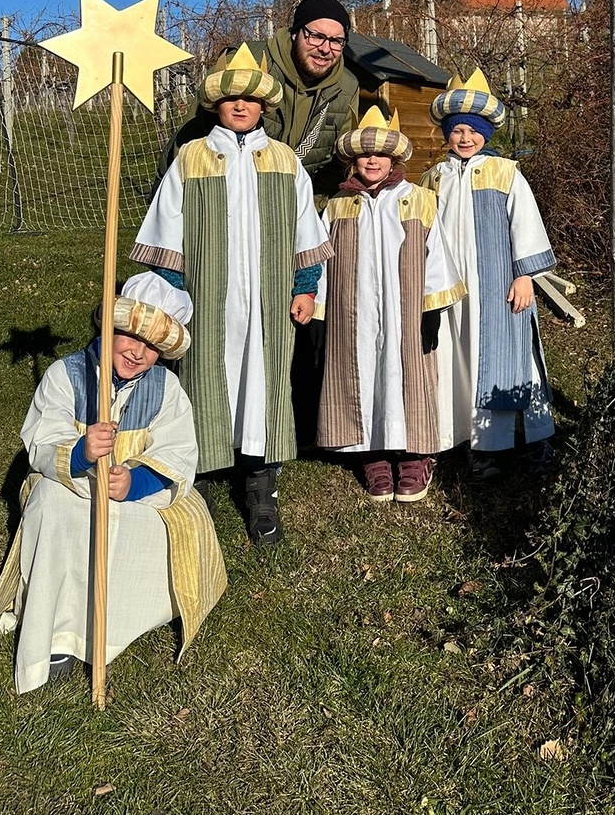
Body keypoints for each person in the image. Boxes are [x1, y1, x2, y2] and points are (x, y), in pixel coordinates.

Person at [0, 286, 226, 694]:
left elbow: (177, 453)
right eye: (129, 336)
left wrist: (136, 481)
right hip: (72, 488)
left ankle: (120, 622)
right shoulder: (66, 375)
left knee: (164, 529)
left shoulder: (167, 389)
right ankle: (57, 632)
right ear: (109, 328)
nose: (137, 352)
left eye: (151, 346)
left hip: (136, 498)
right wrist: (81, 452)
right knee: (53, 508)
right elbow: (41, 441)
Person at [130, 43, 332, 544]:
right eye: (231, 99)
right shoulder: (192, 159)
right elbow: (168, 230)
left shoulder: (284, 161)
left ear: (264, 106)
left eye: (250, 99)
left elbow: (305, 232)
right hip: (207, 298)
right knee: (203, 377)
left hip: (269, 300)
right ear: (216, 104)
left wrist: (306, 288)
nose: (241, 106)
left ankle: (260, 482)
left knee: (266, 381)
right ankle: (196, 471)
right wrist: (175, 294)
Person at [315, 107, 465, 504]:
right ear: (353, 160)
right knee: (361, 374)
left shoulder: (417, 200)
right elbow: (323, 262)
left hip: (406, 313)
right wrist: (320, 312)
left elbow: (436, 254)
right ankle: (372, 453)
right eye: (365, 154)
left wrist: (431, 309)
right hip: (354, 314)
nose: (372, 161)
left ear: (394, 159)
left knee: (409, 374)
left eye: (381, 155)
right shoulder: (338, 205)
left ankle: (415, 454)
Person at [419, 69, 557, 477]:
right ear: (447, 133)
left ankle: (535, 440)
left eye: (472, 131)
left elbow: (525, 224)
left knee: (514, 359)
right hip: (452, 291)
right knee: (459, 362)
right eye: (457, 130)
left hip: (499, 288)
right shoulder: (433, 178)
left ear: (486, 133)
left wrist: (525, 275)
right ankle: (476, 445)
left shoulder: (505, 172)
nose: (465, 138)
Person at [160, 0, 359, 204]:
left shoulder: (347, 87)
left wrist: (312, 209)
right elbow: (191, 137)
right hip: (222, 197)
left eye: (336, 41)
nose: (325, 49)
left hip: (294, 202)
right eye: (316, 36)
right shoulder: (247, 62)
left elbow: (339, 164)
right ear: (295, 34)